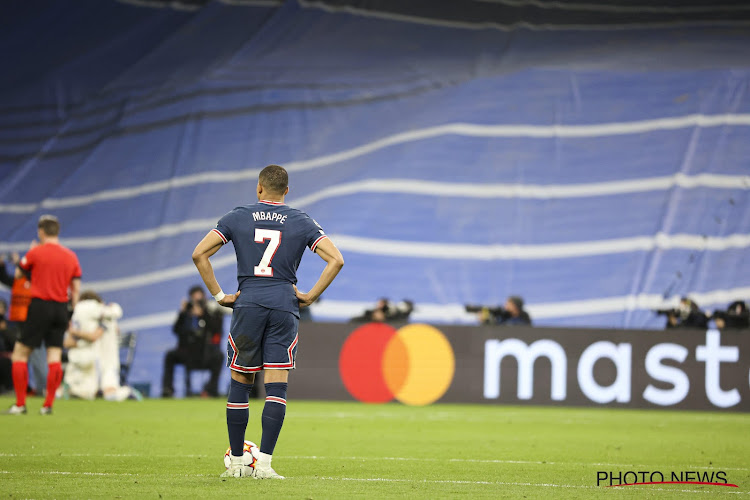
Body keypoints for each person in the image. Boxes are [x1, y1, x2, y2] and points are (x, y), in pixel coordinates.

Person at [192, 164, 344, 479]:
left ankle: (236, 465)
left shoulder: (237, 216)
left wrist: (220, 296)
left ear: (259, 188)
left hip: (247, 303)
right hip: (284, 305)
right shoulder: (301, 220)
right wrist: (311, 296)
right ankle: (264, 465)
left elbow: (199, 254)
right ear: (286, 191)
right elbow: (336, 259)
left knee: (241, 382)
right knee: (276, 386)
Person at [3, 215, 81, 415]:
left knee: (20, 354)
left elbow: (20, 274)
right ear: (58, 231)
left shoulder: (36, 252)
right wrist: (71, 315)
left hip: (39, 306)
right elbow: (76, 290)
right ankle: (48, 405)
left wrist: (29, 255)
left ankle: (20, 404)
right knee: (54, 356)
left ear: (41, 231)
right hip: (61, 308)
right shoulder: (71, 256)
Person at [63, 290, 135, 401]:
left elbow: (92, 337)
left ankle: (125, 393)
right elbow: (69, 342)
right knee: (91, 390)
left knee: (101, 391)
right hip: (94, 360)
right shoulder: (91, 317)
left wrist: (76, 334)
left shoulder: (101, 318)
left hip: (101, 360)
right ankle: (123, 393)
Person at [161, 285, 223, 398]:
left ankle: (211, 390)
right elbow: (176, 330)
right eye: (194, 300)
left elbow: (216, 329)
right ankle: (168, 389)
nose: (196, 303)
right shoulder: (186, 314)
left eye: (199, 300)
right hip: (187, 353)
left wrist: (203, 315)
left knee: (219, 356)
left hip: (206, 353)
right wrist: (183, 313)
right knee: (170, 355)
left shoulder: (211, 312)